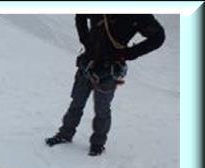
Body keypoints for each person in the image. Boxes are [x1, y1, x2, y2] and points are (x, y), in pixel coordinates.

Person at [46, 14, 165, 156]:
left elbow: (158, 37)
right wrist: (85, 39)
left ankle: (97, 144)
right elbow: (81, 15)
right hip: (88, 62)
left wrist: (129, 53)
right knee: (76, 102)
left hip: (109, 69)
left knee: (102, 109)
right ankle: (65, 134)